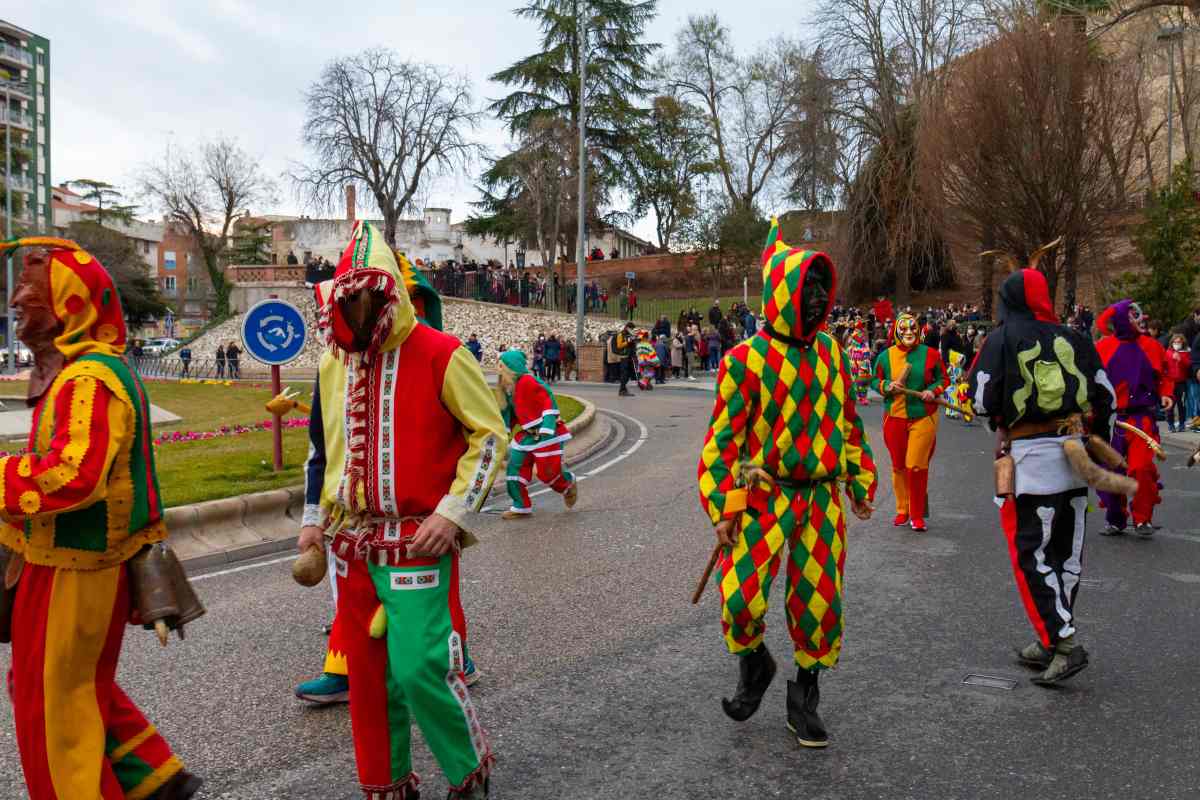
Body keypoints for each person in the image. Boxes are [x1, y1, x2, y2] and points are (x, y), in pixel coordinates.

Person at [295, 222, 504, 799]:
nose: (360, 312)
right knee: (366, 681)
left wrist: (453, 513)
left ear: (391, 291)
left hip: (419, 540)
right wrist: (312, 520)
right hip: (348, 545)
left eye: (370, 297)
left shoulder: (443, 353)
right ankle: (388, 786)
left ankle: (468, 768)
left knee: (418, 668)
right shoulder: (332, 363)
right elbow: (321, 448)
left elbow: (488, 437)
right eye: (350, 299)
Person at [0, 237, 202, 799]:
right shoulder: (87, 371)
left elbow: (73, 477)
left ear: (69, 304)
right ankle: (154, 778)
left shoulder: (89, 379)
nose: (16, 300)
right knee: (56, 689)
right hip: (64, 564)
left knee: (54, 715)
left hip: (75, 570)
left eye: (30, 290)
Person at [698, 219, 876, 749]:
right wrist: (724, 507)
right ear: (782, 293)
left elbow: (847, 424)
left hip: (820, 498)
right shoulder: (742, 361)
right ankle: (755, 665)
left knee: (818, 601)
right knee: (740, 599)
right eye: (809, 288)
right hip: (762, 497)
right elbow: (722, 445)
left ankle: (805, 698)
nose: (820, 299)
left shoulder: (834, 356)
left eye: (825, 287)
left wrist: (860, 478)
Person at [966, 266, 1114, 686]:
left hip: (1032, 460)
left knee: (1031, 553)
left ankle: (1063, 641)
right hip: (1077, 455)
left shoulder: (1002, 338)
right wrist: (1100, 444)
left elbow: (980, 397)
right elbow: (1106, 395)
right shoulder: (1078, 338)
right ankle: (1050, 637)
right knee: (1066, 553)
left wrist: (997, 418)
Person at [1094, 300, 1173, 537]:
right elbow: (1090, 379)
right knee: (1110, 471)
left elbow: (1166, 373)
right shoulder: (1103, 347)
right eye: (1134, 316)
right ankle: (1116, 518)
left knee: (1142, 468)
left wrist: (1167, 394)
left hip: (1141, 419)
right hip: (1111, 421)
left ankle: (1143, 518)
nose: (1142, 320)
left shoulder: (1151, 346)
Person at [871, 313, 948, 532]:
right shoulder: (885, 356)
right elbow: (873, 380)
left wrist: (932, 391)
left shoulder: (930, 354)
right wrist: (886, 386)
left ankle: (916, 514)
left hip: (923, 416)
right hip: (894, 417)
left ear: (919, 330)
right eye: (903, 329)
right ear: (895, 331)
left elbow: (944, 378)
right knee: (898, 465)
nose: (908, 333)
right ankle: (902, 509)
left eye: (912, 328)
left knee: (915, 464)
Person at [497, 350, 579, 519]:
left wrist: (547, 427)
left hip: (546, 434)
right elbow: (510, 414)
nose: (498, 370)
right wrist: (503, 433)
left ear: (511, 367)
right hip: (527, 436)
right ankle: (521, 506)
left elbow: (547, 399)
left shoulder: (529, 381)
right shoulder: (509, 389)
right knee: (514, 468)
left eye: (501, 366)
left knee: (547, 473)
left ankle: (567, 483)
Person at [1166, 334, 1192, 432]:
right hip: (1170, 383)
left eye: (1179, 342)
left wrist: (1180, 360)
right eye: (1175, 342)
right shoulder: (1168, 352)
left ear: (1182, 343)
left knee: (1182, 405)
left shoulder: (1185, 353)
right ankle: (1171, 424)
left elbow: (1189, 365)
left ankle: (1181, 424)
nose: (1177, 344)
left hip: (1181, 383)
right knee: (1170, 405)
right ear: (1172, 343)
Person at [612, 322, 637, 397]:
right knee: (624, 374)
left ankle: (624, 389)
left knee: (628, 374)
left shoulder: (629, 334)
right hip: (624, 356)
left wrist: (633, 340)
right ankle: (622, 390)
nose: (632, 330)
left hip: (629, 356)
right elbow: (619, 345)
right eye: (631, 328)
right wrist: (628, 341)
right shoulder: (621, 334)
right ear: (627, 328)